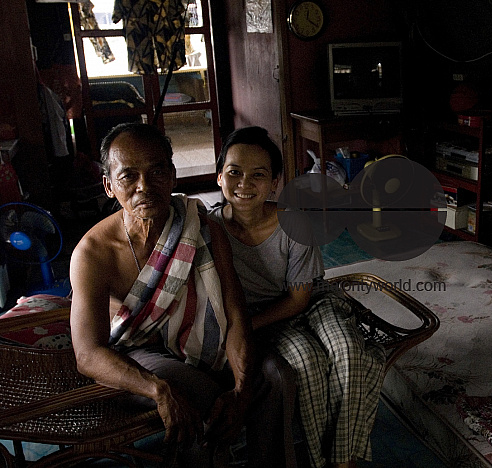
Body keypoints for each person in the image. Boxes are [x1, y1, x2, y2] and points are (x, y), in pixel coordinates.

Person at [69, 123, 294, 467]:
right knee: (198, 393)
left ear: (173, 176)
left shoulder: (200, 226)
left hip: (204, 338)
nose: (144, 186)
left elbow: (235, 314)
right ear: (109, 186)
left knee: (275, 375)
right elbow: (87, 355)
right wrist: (158, 391)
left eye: (157, 171)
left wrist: (242, 388)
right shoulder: (93, 253)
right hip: (137, 351)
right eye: (128, 176)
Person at [209, 126, 386, 468]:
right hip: (264, 314)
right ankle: (322, 459)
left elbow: (299, 300)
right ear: (220, 177)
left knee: (349, 352)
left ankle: (342, 460)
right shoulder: (209, 229)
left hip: (309, 298)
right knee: (307, 362)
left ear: (275, 183)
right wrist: (242, 326)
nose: (245, 183)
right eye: (235, 173)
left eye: (258, 175)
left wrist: (244, 327)